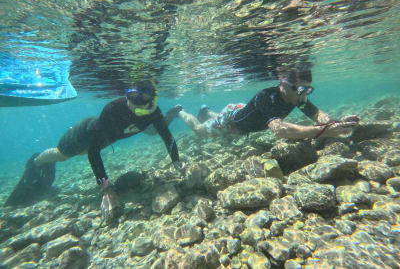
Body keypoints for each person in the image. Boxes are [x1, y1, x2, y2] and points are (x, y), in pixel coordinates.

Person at [5, 80, 184, 221]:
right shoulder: (112, 110)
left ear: (152, 98)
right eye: (131, 96)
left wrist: (176, 160)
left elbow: (166, 136)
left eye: (142, 97)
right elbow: (93, 152)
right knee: (62, 155)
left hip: (106, 138)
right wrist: (107, 189)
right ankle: (36, 161)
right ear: (126, 95)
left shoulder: (154, 112)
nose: (135, 102)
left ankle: (40, 161)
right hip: (84, 134)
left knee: (74, 154)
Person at [177, 68, 359, 140]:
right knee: (200, 131)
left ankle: (206, 110)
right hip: (231, 121)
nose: (304, 95)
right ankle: (180, 111)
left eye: (308, 91)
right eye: (300, 90)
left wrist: (334, 123)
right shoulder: (266, 97)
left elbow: (317, 114)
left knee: (220, 116)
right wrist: (322, 132)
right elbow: (281, 130)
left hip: (241, 112)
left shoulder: (297, 96)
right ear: (283, 85)